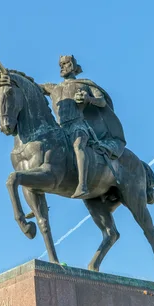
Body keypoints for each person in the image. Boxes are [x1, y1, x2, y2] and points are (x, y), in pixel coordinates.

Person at [39, 55, 126, 198]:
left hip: (78, 125)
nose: (62, 66)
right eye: (60, 64)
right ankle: (36, 186)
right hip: (60, 129)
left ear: (73, 66)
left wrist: (88, 99)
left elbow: (102, 101)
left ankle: (83, 185)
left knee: (78, 145)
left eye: (66, 63)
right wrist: (8, 76)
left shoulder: (85, 83)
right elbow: (31, 86)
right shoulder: (53, 87)